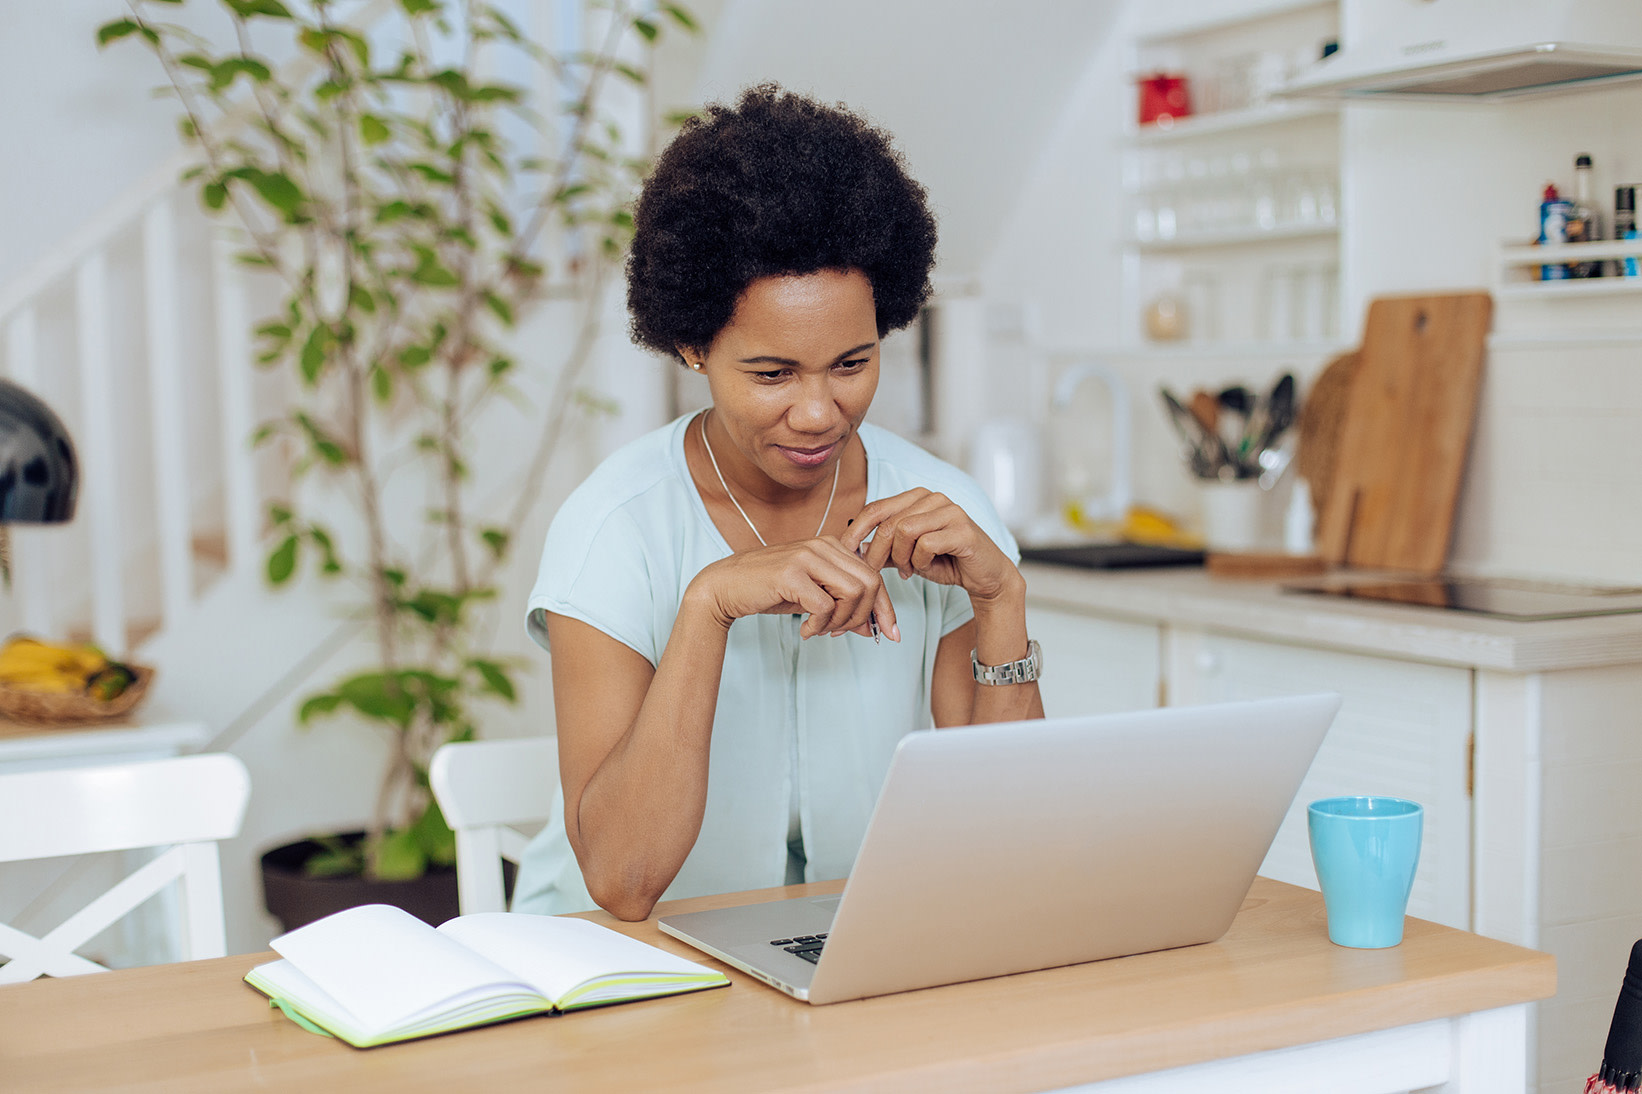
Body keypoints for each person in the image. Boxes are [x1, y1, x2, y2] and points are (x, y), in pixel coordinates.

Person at [513, 84, 1044, 922]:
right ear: (692, 345)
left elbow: (1008, 852)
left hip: (849, 944)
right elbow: (622, 878)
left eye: (851, 364)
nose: (819, 412)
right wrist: (709, 603)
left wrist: (1002, 598)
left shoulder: (941, 512)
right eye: (773, 374)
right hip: (627, 960)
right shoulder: (616, 526)